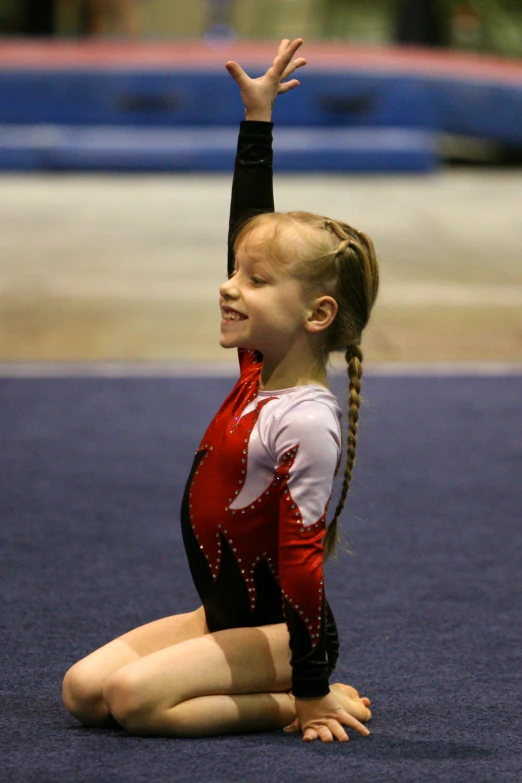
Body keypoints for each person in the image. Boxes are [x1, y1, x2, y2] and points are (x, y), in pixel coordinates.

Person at [62, 38, 379, 744]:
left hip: (285, 634)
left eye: (255, 282)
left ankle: (281, 702)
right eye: (236, 271)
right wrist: (257, 124)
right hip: (227, 614)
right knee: (84, 691)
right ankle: (263, 683)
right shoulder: (257, 374)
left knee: (134, 700)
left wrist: (310, 685)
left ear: (315, 314)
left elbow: (300, 561)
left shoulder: (306, 420)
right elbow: (247, 233)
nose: (228, 286)